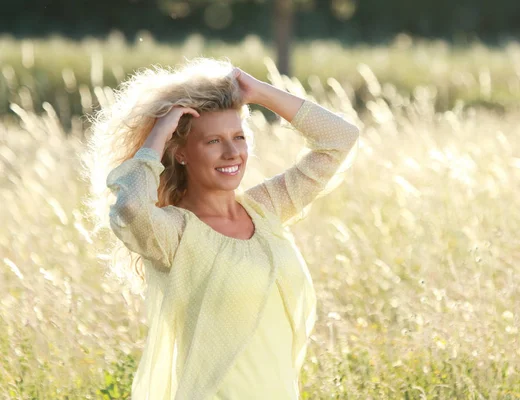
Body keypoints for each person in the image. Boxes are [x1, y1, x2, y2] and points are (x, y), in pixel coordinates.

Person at [84, 57, 359, 399]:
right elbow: (130, 206)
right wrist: (159, 133)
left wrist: (258, 92)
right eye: (213, 141)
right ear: (181, 153)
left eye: (239, 137)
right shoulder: (174, 234)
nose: (232, 153)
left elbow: (341, 139)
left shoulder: (265, 209)